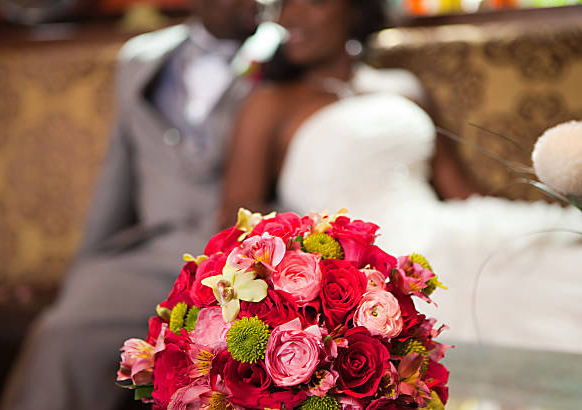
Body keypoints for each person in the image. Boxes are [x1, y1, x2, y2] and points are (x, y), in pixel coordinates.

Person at [220, 0, 582, 353]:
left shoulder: (404, 87)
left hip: (447, 233)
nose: (289, 16)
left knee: (559, 256)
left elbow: (460, 190)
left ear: (355, 9)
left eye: (311, 3)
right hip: (367, 275)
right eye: (284, 4)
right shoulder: (268, 105)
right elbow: (239, 228)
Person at [0, 1, 276, 409]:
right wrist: (81, 274)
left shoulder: (288, 53)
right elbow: (116, 177)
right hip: (152, 255)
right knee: (63, 333)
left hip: (244, 264)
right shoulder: (140, 58)